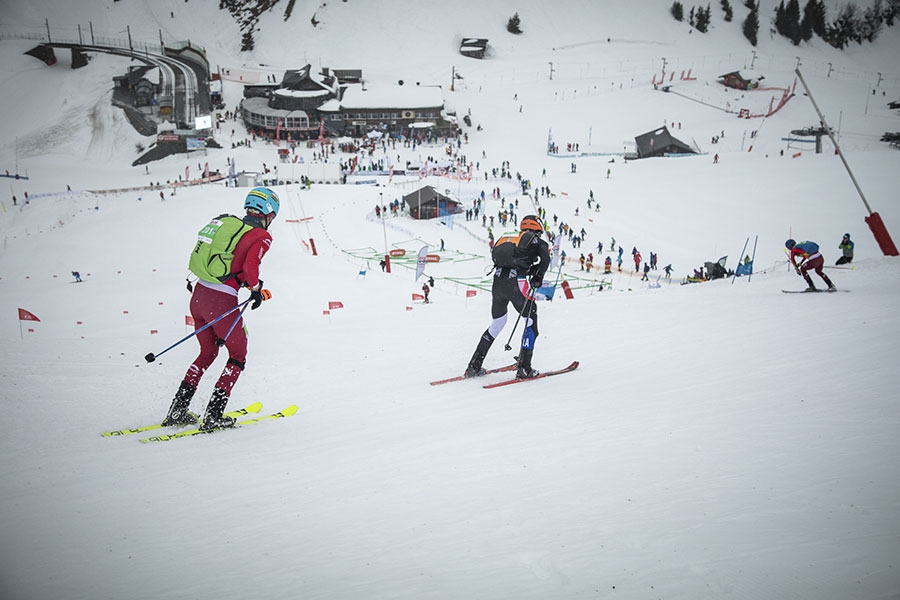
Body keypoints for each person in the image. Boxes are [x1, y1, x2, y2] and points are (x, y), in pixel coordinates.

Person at [163, 187, 278, 430]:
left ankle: (177, 410)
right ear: (268, 214)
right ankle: (213, 414)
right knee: (238, 354)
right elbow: (250, 267)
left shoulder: (231, 226)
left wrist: (249, 285)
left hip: (198, 296)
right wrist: (255, 288)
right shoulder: (261, 236)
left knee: (207, 353)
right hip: (221, 301)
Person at [466, 215, 550, 379]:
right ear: (537, 229)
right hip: (516, 283)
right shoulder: (537, 241)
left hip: (497, 283)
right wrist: (538, 277)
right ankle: (525, 368)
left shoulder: (508, 238)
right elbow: (545, 260)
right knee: (531, 321)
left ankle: (474, 365)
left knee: (497, 323)